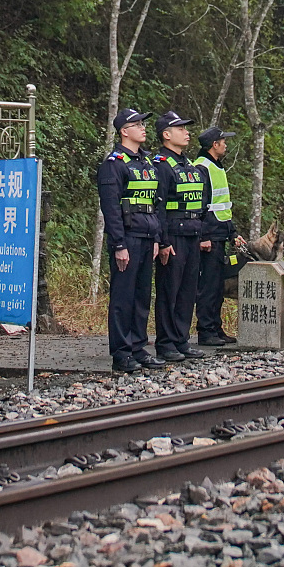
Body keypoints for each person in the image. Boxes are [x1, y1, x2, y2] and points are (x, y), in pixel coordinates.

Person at [96, 108, 167, 373]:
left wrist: (157, 238)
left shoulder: (146, 163)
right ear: (124, 131)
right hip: (127, 237)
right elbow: (111, 209)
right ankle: (122, 353)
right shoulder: (114, 164)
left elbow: (155, 203)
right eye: (137, 124)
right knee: (123, 298)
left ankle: (138, 347)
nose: (143, 128)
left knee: (141, 297)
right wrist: (119, 245)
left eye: (143, 124)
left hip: (148, 237)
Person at [150, 110, 209, 361]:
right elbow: (158, 206)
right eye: (181, 128)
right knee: (169, 291)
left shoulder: (190, 166)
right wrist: (162, 241)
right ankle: (165, 343)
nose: (187, 132)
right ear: (166, 135)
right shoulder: (161, 165)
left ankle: (181, 340)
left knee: (187, 291)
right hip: (173, 235)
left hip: (193, 234)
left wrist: (203, 233)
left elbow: (201, 203)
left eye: (186, 128)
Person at [192, 126, 239, 346]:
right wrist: (203, 236)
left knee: (217, 286)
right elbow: (199, 206)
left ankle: (216, 328)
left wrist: (233, 233)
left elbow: (221, 205)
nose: (226, 144)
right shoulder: (202, 168)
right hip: (209, 236)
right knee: (208, 286)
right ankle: (206, 331)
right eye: (223, 141)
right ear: (214, 145)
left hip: (219, 233)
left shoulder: (215, 167)